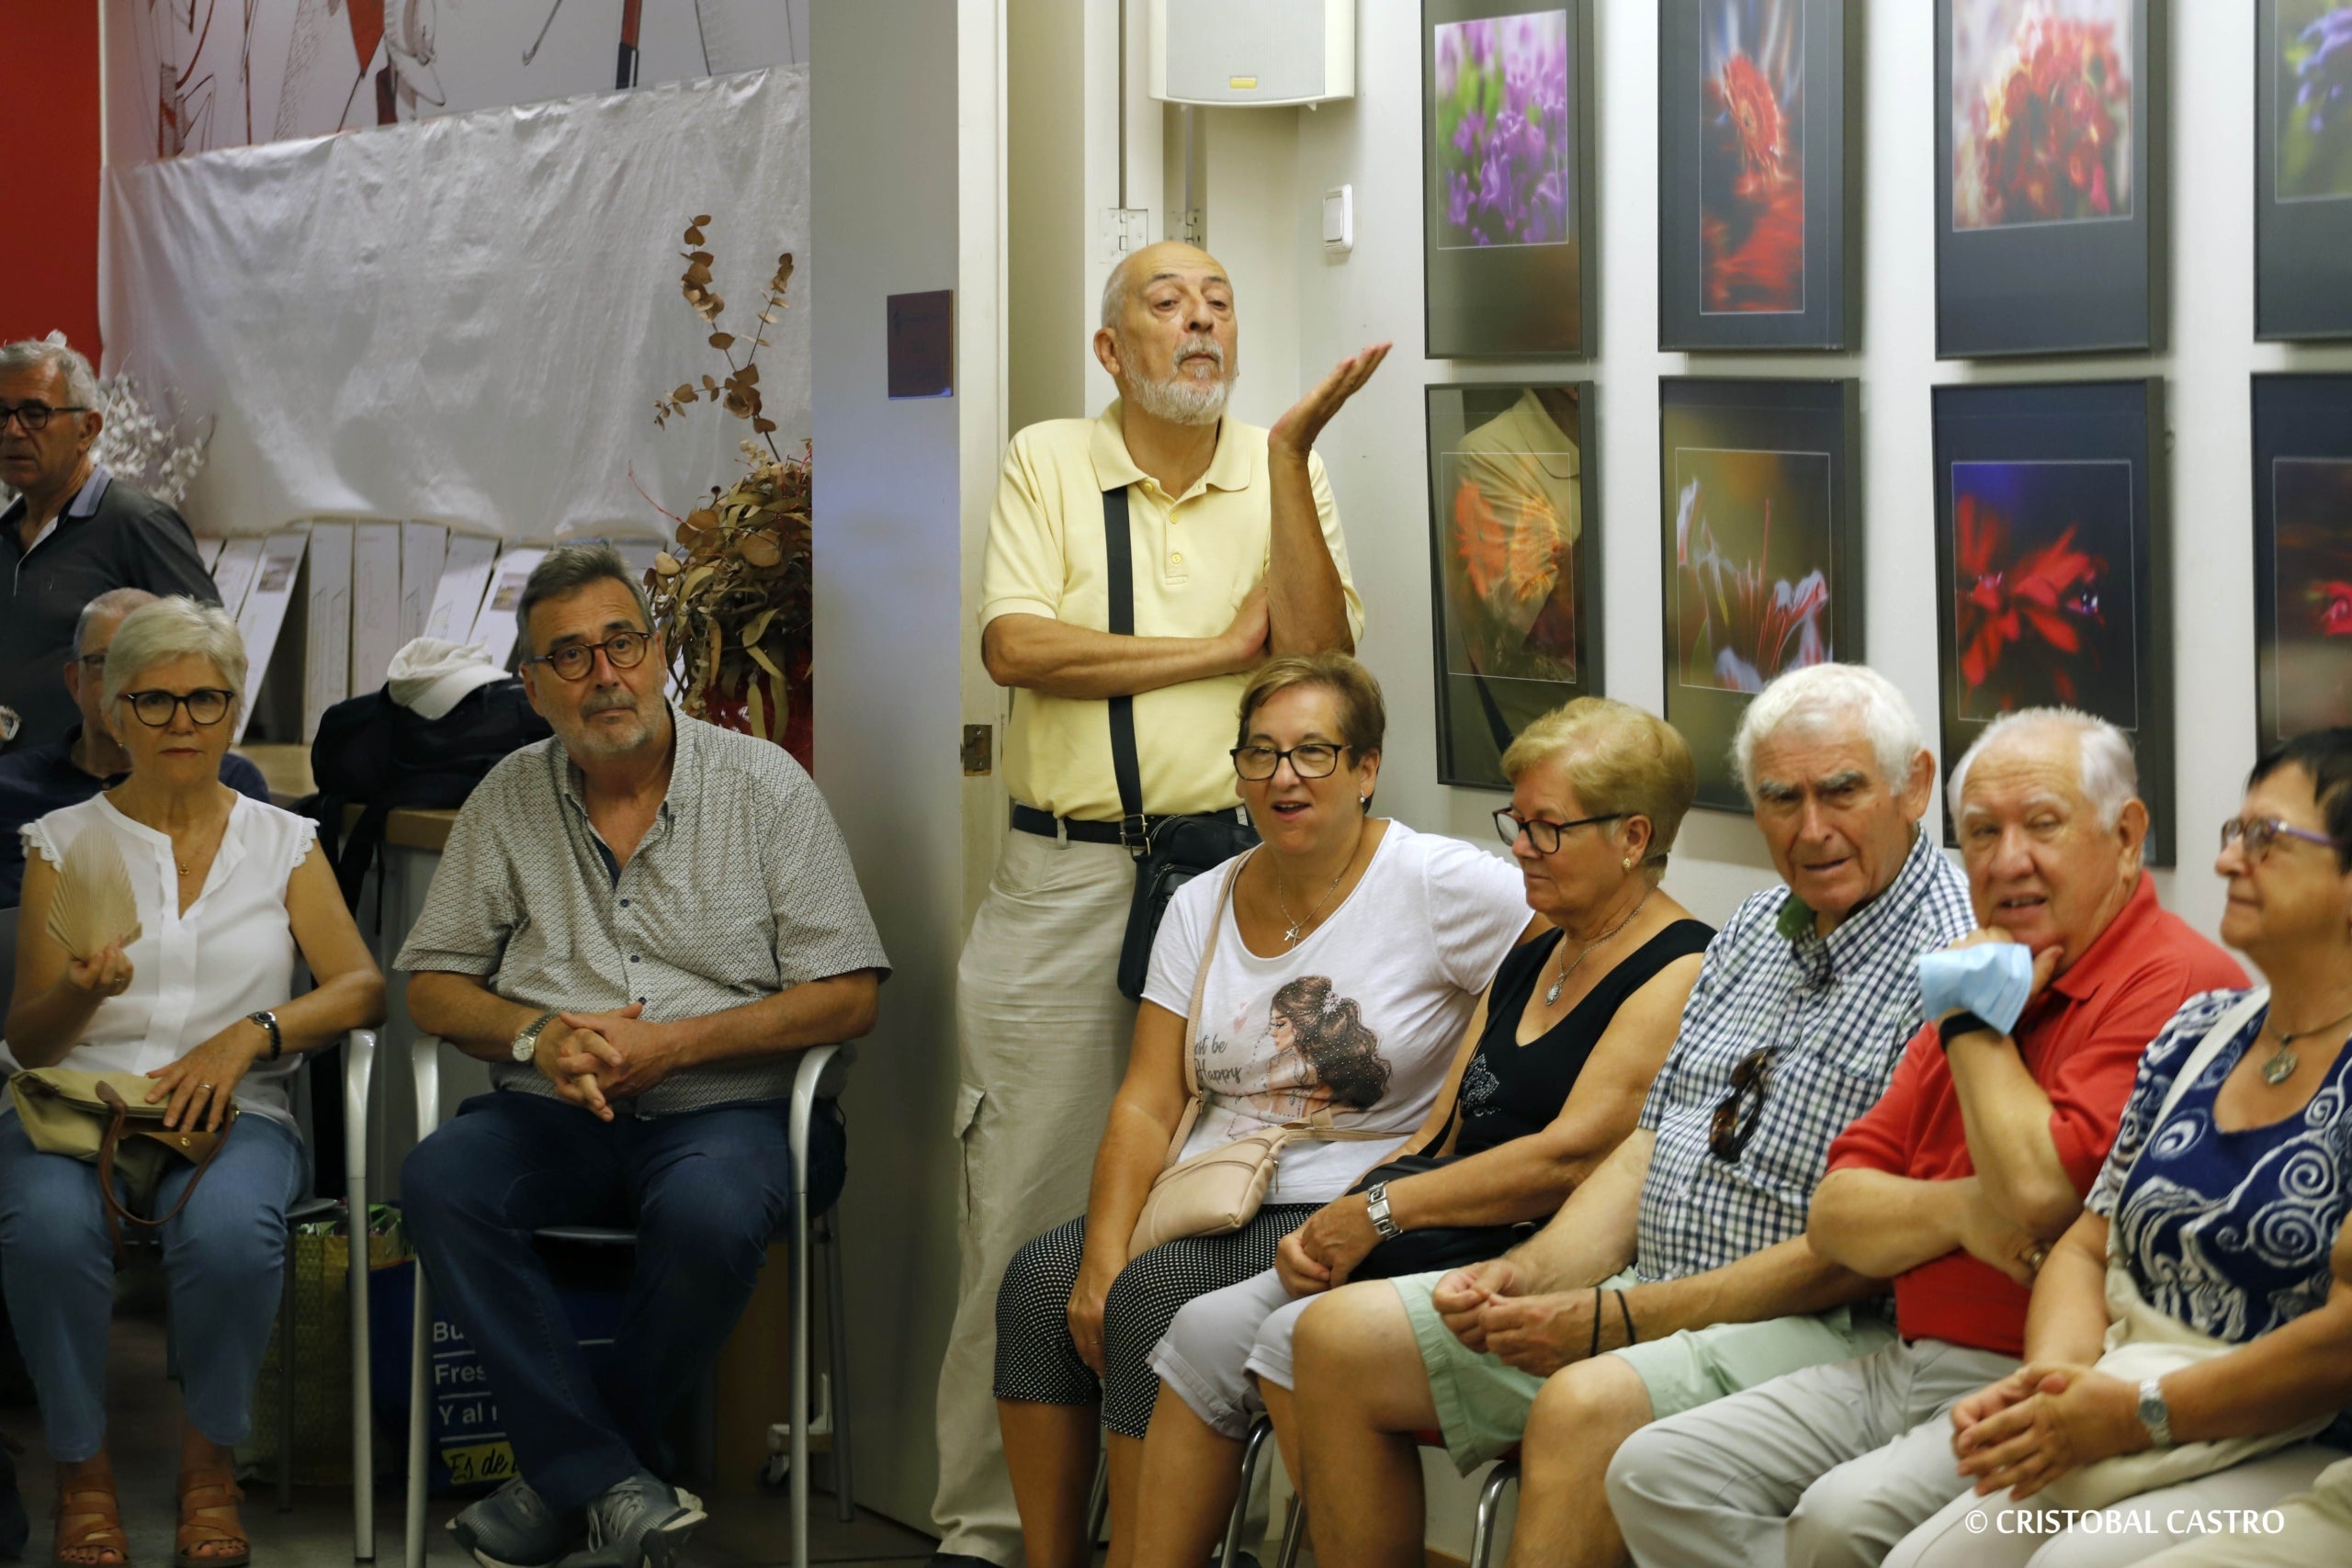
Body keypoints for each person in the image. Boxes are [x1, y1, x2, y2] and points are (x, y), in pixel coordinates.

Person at [1288, 662, 1975, 1568]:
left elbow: (1858, 1256)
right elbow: (1650, 1144)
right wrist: (1527, 1276)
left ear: (1914, 785)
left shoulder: (1956, 962)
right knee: (1333, 1340)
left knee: (1583, 1404)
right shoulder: (1757, 924)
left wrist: (1620, 1320)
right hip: (1649, 1289)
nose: (1810, 829)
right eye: (1779, 798)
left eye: (1840, 791)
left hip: (1820, 1328)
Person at [936, 239, 1385, 1568]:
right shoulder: (1049, 458)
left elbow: (1316, 655)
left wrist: (1293, 457)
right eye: (1164, 304)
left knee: (1219, 1196)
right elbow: (1018, 646)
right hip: (1072, 874)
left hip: (1246, 879)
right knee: (1025, 1209)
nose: (1198, 323)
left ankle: (1183, 1529)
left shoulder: (1276, 467)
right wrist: (1215, 653)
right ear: (1110, 349)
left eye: (1219, 304)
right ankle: (987, 1527)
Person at [1606, 708, 2247, 1568]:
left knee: (1836, 1521)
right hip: (1902, 1354)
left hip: (2035, 1372)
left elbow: (2040, 1193)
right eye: (1981, 831)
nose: (2007, 859)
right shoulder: (1989, 965)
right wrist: (1961, 1213)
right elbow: (1838, 1215)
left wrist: (1972, 1029)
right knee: (1656, 1471)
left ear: (2127, 836)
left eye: (2043, 825)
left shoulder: (2172, 980)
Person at [1128, 696, 1714, 1568]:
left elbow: (1572, 1158)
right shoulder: (1539, 942)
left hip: (1525, 1253)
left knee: (1292, 1344)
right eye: (1517, 820)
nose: (1518, 845)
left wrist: (1377, 1217)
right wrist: (1347, 1218)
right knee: (1199, 1335)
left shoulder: (1680, 964)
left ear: (1633, 837)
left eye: (1546, 827)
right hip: (1432, 1227)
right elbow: (1442, 1126)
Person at [397, 546, 888, 1568]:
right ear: (531, 690)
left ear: (660, 653)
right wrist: (541, 1035)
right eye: (568, 657)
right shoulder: (506, 797)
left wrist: (677, 1045)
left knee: (708, 1211)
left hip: (736, 1115)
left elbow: (849, 993)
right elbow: (431, 985)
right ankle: (615, 1483)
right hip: (559, 1110)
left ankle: (571, 1481)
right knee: (441, 1177)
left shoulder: (763, 785)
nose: (603, 674)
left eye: (621, 642)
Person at [990, 654, 1533, 1568]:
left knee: (1146, 1296)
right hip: (1207, 1184)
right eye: (1261, 754)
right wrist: (1101, 1252)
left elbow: (1571, 939)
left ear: (1366, 770)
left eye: (1314, 754)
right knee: (1040, 1283)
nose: (1284, 778)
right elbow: (1146, 1098)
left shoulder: (1439, 883)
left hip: (1347, 1195)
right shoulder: (1200, 900)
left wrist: (1466, 1084)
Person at [1880, 728, 2352, 1568]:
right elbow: (2088, 1238)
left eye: (2267, 839)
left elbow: (2340, 1346)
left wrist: (2136, 1409)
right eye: (2234, 834)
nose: (2227, 863)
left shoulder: (2177, 982)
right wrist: (2053, 1386)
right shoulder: (2200, 1032)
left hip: (2288, 1428)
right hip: (2119, 1381)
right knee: (1925, 1560)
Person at [1, 596, 385, 1568]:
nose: (183, 725)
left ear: (233, 708)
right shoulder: (61, 842)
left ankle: (208, 1467)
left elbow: (361, 988)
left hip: (234, 1107)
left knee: (229, 1235)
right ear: (113, 711)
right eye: (157, 702)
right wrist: (80, 996)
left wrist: (252, 1034)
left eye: (205, 701)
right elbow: (31, 1043)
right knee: (45, 1231)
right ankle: (80, 1470)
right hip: (76, 1106)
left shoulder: (282, 842)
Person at [0, 339, 220, 755]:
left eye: (34, 413)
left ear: (88, 429)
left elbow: (214, 661)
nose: (13, 430)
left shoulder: (136, 525)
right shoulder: (7, 532)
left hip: (93, 798)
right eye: (1, 414)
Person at [0, 588, 270, 906]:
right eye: (107, 664)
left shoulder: (231, 783)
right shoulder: (9, 786)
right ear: (76, 682)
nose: (128, 684)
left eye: (150, 666)